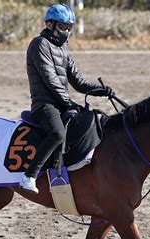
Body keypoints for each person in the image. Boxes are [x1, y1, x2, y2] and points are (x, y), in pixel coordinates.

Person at [20, 3, 114, 194]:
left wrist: (101, 90)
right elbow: (51, 80)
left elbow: (79, 82)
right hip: (44, 105)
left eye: (69, 28)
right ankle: (29, 176)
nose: (67, 32)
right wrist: (69, 103)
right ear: (49, 24)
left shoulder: (63, 51)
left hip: (61, 103)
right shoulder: (39, 45)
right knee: (58, 134)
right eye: (63, 27)